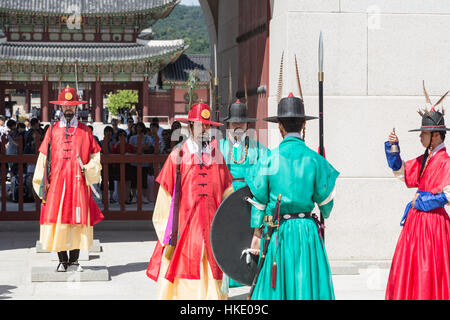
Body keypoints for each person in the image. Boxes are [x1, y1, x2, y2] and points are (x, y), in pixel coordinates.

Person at [247, 92, 339, 300]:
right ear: (303, 126)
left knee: (279, 286)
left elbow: (259, 203)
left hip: (280, 231)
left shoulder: (269, 160)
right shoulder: (315, 160)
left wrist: (256, 234)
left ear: (280, 126)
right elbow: (326, 207)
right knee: (305, 284)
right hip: (307, 232)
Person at [146, 102, 234, 300]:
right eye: (199, 125)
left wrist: (227, 229)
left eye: (207, 125)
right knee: (184, 283)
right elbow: (164, 200)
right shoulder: (178, 156)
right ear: (190, 126)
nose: (204, 129)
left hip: (212, 233)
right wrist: (167, 235)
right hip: (184, 233)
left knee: (212, 281)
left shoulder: (217, 157)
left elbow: (227, 195)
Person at [384, 84, 450, 300]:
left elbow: (448, 196)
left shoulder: (446, 163)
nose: (421, 137)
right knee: (414, 270)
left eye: (424, 133)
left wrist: (423, 201)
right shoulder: (425, 160)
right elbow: (402, 172)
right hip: (417, 224)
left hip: (434, 226)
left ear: (437, 137)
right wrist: (394, 148)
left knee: (430, 269)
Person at [32, 86, 103, 272]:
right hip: (56, 185)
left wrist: (88, 168)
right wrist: (41, 183)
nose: (68, 109)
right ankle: (62, 260)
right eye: (65, 106)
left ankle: (75, 261)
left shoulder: (85, 131)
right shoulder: (52, 130)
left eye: (71, 106)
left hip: (78, 184)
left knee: (77, 222)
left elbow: (96, 157)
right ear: (60, 108)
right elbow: (43, 159)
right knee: (59, 222)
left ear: (77, 108)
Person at [218, 99, 268, 291]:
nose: (238, 126)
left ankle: (249, 274)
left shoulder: (260, 149)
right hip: (225, 201)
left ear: (247, 125)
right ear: (228, 125)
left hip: (251, 201)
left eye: (242, 122)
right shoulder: (219, 148)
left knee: (248, 236)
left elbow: (267, 176)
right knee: (227, 236)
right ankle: (226, 276)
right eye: (234, 123)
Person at [129, 122, 153, 204]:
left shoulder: (148, 138)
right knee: (134, 179)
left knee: (144, 179)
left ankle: (144, 196)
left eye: (140, 127)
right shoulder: (132, 137)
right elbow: (131, 147)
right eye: (137, 127)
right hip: (134, 161)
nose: (139, 129)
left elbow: (148, 146)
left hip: (144, 161)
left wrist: (138, 147)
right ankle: (134, 196)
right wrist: (141, 147)